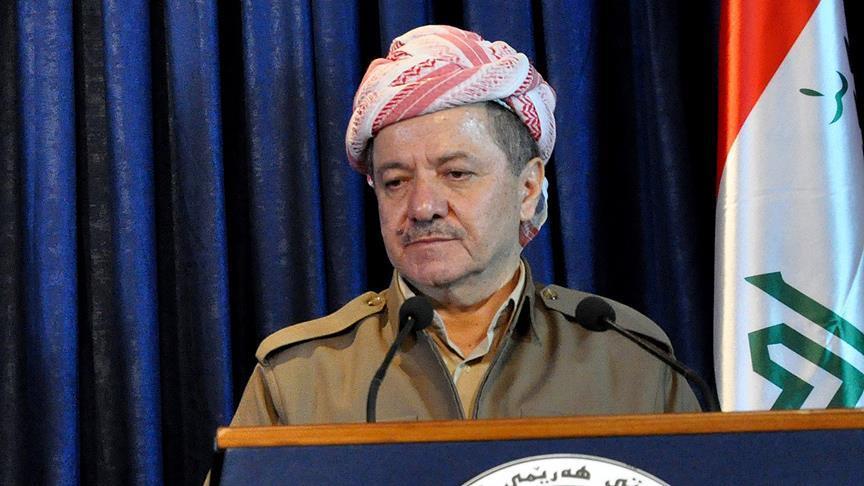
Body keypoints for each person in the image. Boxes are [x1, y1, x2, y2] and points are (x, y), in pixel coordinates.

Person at [229, 25, 700, 426]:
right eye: (395, 181)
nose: (422, 207)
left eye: (456, 174)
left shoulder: (629, 361)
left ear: (527, 189)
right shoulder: (298, 379)